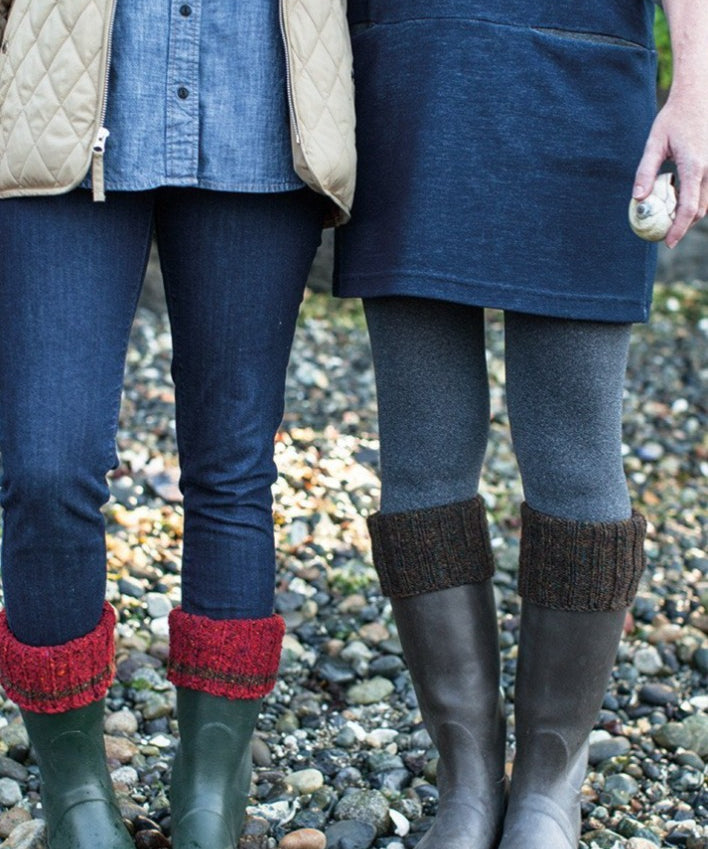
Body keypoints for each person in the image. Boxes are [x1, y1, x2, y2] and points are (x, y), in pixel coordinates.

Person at [334, 2, 708, 848]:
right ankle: (466, 782)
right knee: (421, 457)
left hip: (584, 77)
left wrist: (697, 88)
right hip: (409, 76)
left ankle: (549, 784)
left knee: (576, 456)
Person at [0, 2, 354, 848]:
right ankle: (77, 798)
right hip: (59, 107)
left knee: (234, 469)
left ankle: (208, 803)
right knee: (46, 468)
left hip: (263, 108)